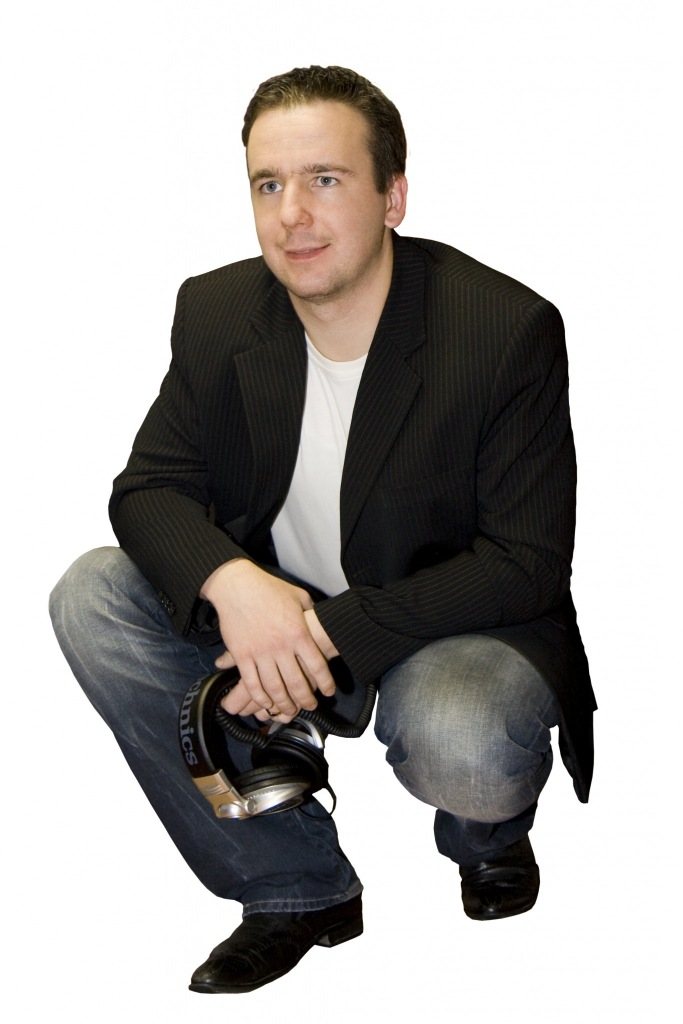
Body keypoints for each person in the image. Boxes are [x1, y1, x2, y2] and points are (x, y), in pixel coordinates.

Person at [50, 65, 595, 994]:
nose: (292, 215)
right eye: (268, 184)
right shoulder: (216, 312)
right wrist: (234, 585)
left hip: (442, 620)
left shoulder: (503, 329)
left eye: (325, 179)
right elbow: (149, 490)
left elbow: (525, 563)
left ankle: (487, 834)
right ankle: (295, 886)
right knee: (91, 593)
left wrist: (320, 638)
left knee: (464, 742)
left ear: (393, 197)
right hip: (268, 612)